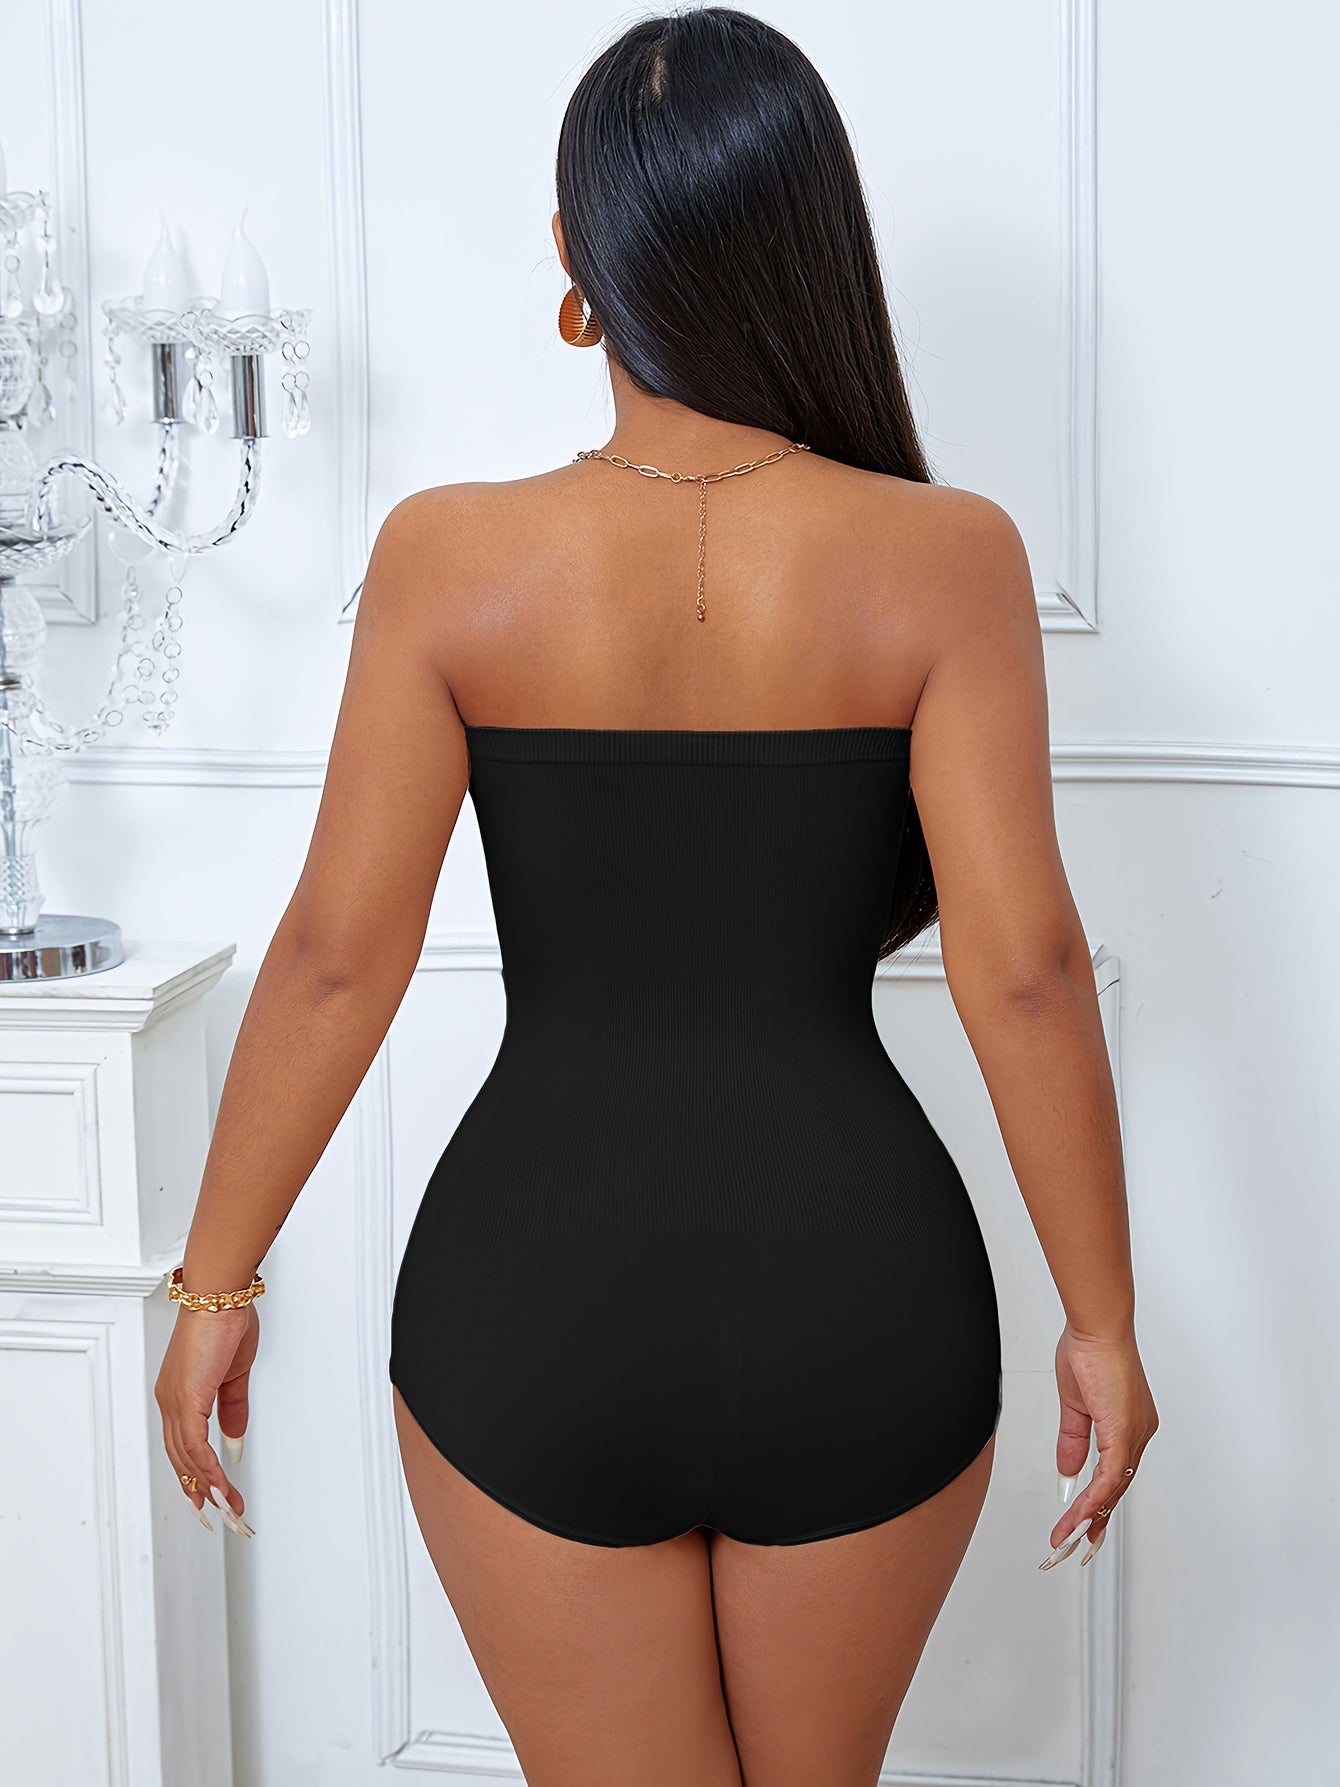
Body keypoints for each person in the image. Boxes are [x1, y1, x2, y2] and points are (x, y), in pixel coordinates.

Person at [154, 8, 1157, 1784]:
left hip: (533, 1308)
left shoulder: (448, 559)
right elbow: (1026, 971)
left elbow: (330, 963)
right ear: (811, 240)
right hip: (863, 1305)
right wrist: (1103, 1320)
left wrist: (214, 1286)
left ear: (578, 256)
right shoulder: (950, 559)